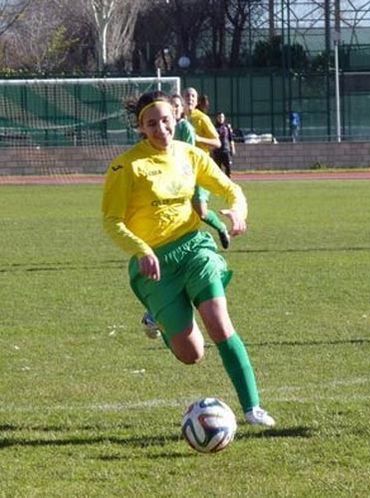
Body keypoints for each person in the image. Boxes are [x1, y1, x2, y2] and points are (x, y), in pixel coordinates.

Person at [102, 90, 276, 427]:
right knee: (190, 354)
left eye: (166, 120)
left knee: (218, 321)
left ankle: (253, 408)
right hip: (155, 263)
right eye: (151, 123)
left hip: (194, 247)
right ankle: (159, 318)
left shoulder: (190, 155)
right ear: (141, 127)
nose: (160, 128)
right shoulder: (127, 166)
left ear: (176, 120)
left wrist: (238, 212)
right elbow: (112, 221)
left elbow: (231, 189)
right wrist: (142, 250)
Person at [140, 93, 199, 338]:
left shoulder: (191, 127)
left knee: (199, 270)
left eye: (176, 107)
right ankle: (158, 313)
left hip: (189, 184)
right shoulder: (136, 159)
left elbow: (205, 150)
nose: (162, 128)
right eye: (152, 123)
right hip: (162, 214)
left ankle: (158, 314)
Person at [183, 87, 229, 250]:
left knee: (201, 212)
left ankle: (221, 227)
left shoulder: (201, 118)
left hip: (200, 169)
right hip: (181, 171)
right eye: (187, 95)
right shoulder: (176, 120)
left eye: (193, 96)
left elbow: (217, 142)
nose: (190, 98)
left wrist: (197, 138)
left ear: (197, 100)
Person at [212, 111, 236, 177]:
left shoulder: (227, 127)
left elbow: (231, 138)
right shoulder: (213, 127)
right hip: (217, 151)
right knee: (217, 168)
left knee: (228, 167)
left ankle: (228, 179)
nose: (221, 118)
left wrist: (232, 148)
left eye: (222, 117)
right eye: (219, 117)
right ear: (216, 118)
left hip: (226, 150)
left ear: (224, 118)